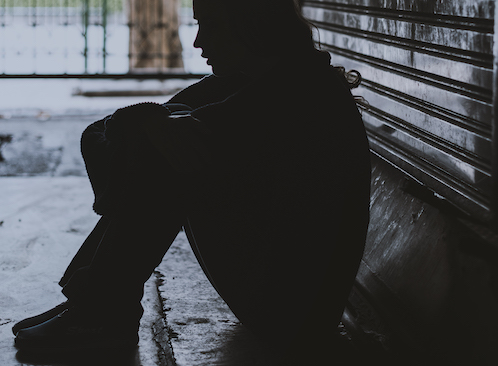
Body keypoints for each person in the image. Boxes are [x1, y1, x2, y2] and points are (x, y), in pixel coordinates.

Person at [12, 0, 370, 358]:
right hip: (284, 297)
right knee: (167, 134)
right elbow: (104, 135)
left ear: (251, 25)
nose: (198, 42)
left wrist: (146, 126)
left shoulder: (296, 92)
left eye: (211, 26)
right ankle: (99, 304)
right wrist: (147, 123)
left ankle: (102, 310)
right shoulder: (252, 80)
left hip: (294, 310)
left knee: (172, 146)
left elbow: (126, 139)